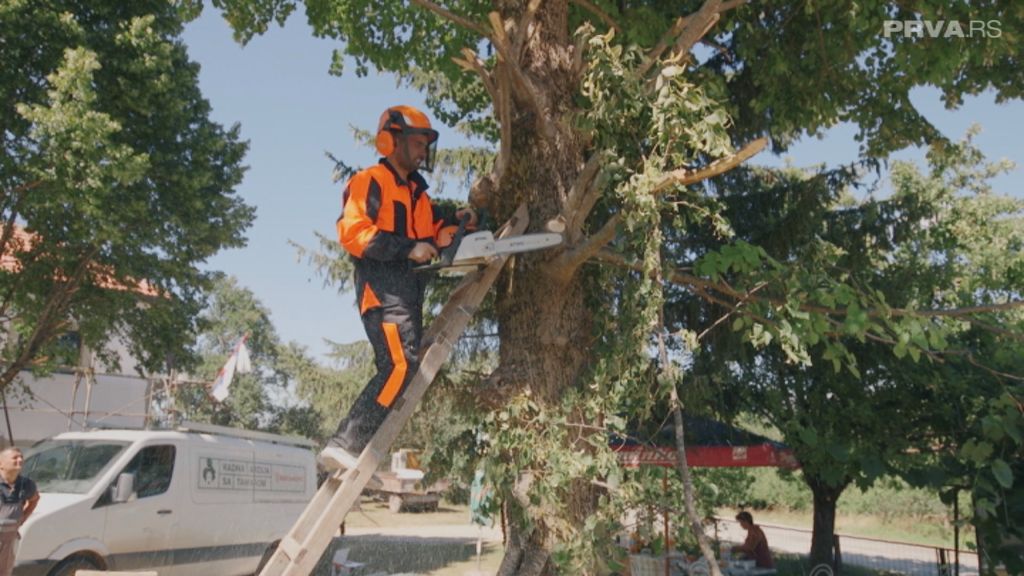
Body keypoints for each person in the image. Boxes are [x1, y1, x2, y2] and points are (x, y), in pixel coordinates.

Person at [321, 105, 476, 471]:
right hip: (383, 291)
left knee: (400, 367)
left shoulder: (418, 197)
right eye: (418, 143)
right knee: (397, 366)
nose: (424, 152)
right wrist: (407, 248)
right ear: (392, 141)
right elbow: (353, 232)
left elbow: (432, 235)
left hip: (407, 295)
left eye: (426, 145)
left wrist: (458, 223)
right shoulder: (371, 181)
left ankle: (359, 452)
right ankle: (345, 444)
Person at [0, 447, 39, 576]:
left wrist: (23, 518)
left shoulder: (26, 484)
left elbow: (34, 499)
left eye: (21, 457)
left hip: (9, 540)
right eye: (15, 457)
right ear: (1, 464)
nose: (20, 459)